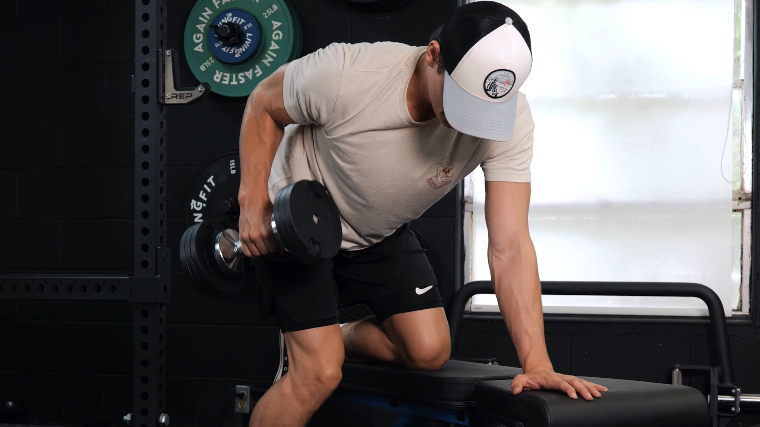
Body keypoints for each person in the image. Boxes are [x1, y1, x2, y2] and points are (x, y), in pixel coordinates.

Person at [237, 2, 607, 426]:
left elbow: (511, 245)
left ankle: (337, 335)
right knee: (319, 373)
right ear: (433, 55)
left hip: (376, 231)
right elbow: (263, 103)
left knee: (429, 352)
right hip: (300, 219)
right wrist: (253, 204)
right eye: (462, 100)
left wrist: (537, 363)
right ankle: (317, 350)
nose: (472, 126)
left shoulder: (512, 121)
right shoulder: (348, 75)